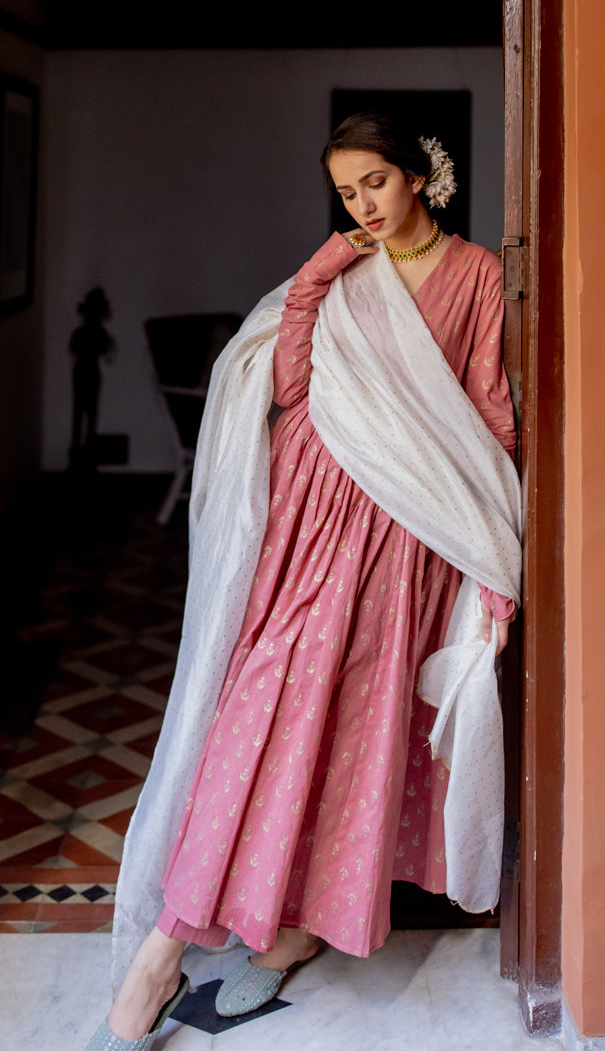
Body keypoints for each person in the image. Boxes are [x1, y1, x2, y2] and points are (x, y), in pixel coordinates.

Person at [84, 112, 521, 1050]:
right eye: (347, 189)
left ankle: (290, 933)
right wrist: (323, 267)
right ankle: (165, 952)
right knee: (257, 710)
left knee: (355, 730)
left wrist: (493, 559)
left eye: (375, 182)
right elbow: (287, 385)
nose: (363, 203)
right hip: (310, 519)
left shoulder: (482, 275)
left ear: (419, 176)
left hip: (402, 530)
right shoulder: (342, 270)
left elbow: (488, 412)